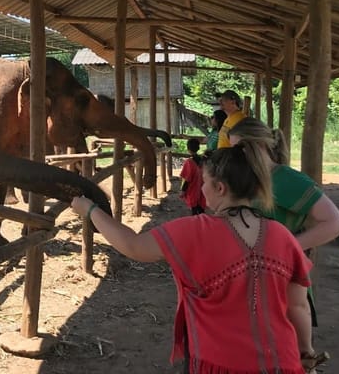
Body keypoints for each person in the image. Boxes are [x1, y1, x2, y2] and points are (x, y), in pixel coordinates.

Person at [72, 144, 313, 373]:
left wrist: (91, 211)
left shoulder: (193, 231)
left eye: (205, 181)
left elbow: (132, 246)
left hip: (218, 364)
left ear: (220, 188)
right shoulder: (283, 236)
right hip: (283, 362)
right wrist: (306, 351)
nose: (202, 188)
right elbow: (298, 305)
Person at [227, 116, 339, 373]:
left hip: (283, 280)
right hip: (254, 279)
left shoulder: (287, 179)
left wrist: (287, 246)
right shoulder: (251, 181)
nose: (234, 157)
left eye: (238, 149)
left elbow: (335, 223)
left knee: (293, 354)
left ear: (257, 146)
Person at [179, 138, 206, 214]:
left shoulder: (189, 162)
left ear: (188, 149)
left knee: (194, 212)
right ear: (198, 148)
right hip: (202, 191)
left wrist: (183, 191)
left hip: (193, 191)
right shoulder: (203, 160)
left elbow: (187, 179)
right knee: (201, 211)